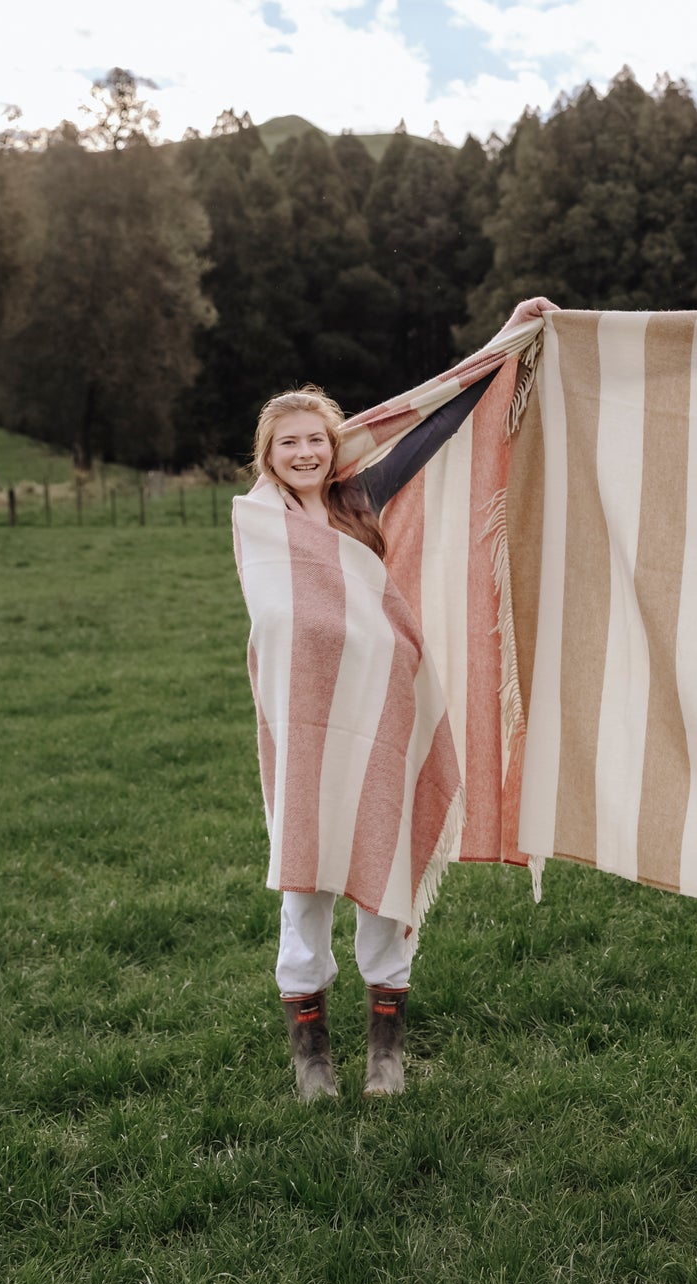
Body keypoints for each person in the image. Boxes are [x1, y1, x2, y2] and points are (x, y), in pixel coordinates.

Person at [246, 297, 556, 1101]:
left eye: (317, 438)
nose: (306, 451)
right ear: (269, 455)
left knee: (384, 868)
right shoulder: (255, 526)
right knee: (305, 884)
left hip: (380, 715)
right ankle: (312, 1058)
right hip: (302, 731)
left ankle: (387, 1052)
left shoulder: (361, 500)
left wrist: (506, 340)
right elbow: (279, 625)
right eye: (290, 443)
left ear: (334, 444)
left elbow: (435, 420)